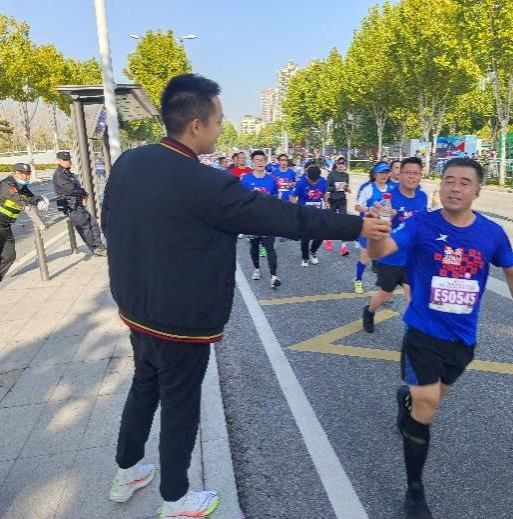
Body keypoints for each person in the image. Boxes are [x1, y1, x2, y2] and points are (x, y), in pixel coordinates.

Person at [101, 73, 391, 519]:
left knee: (144, 385)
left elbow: (110, 223)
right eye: (218, 121)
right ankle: (176, 499)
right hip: (181, 320)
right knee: (180, 404)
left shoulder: (129, 162)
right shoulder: (207, 184)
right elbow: (286, 218)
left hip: (135, 308)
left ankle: (127, 472)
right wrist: (357, 226)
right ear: (195, 124)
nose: (221, 129)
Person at [367, 157, 513, 519]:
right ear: (440, 185)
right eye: (448, 180)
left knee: (430, 400)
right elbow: (382, 252)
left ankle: (406, 400)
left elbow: (512, 271)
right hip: (422, 332)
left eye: (464, 182)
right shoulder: (421, 225)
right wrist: (376, 234)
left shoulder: (491, 233)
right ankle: (415, 492)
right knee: (427, 406)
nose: (455, 188)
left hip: (462, 340)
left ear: (477, 190)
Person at [363, 157, 427, 332]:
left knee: (411, 294)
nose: (412, 176)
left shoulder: (422, 197)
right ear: (399, 174)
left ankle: (413, 331)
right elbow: (377, 220)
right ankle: (369, 311)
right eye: (408, 172)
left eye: (416, 173)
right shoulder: (388, 196)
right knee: (386, 293)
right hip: (391, 256)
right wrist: (385, 215)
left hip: (412, 257)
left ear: (420, 176)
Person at [0, 163, 47, 291]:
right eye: (22, 174)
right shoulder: (7, 184)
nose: (25, 177)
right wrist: (38, 199)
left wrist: (40, 199)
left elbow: (31, 197)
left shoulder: (22, 186)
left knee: (9, 256)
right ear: (14, 173)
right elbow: (20, 200)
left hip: (5, 226)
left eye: (28, 174)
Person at [53, 151, 107, 256]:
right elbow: (70, 189)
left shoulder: (67, 172)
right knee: (85, 227)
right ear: (59, 161)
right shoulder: (59, 174)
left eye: (69, 159)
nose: (68, 161)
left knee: (93, 223)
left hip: (77, 205)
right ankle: (96, 248)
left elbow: (76, 188)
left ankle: (100, 246)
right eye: (65, 160)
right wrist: (82, 193)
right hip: (71, 206)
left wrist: (83, 193)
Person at [241, 150, 282, 288]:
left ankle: (274, 276)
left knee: (270, 247)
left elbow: (276, 197)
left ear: (266, 162)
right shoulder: (246, 179)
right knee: (254, 246)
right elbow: (241, 199)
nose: (260, 162)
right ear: (252, 162)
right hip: (252, 220)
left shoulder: (272, 179)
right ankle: (257, 268)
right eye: (257, 160)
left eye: (262, 160)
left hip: (268, 219)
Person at [353, 161, 392, 294]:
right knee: (366, 258)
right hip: (369, 228)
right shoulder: (368, 188)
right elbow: (357, 207)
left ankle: (384, 289)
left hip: (384, 228)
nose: (384, 175)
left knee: (385, 259)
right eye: (381, 172)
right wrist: (370, 209)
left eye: (386, 172)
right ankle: (358, 280)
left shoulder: (392, 189)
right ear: (375, 175)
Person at [290, 165, 329, 267]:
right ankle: (305, 257)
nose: (314, 183)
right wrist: (296, 208)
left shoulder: (323, 181)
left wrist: (327, 203)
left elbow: (325, 194)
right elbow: (292, 197)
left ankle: (313, 251)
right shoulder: (301, 183)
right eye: (311, 181)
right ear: (307, 176)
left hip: (318, 212)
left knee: (321, 234)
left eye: (316, 181)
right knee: (305, 238)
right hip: (305, 213)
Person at [325, 157, 351, 256]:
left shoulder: (346, 175)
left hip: (342, 200)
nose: (341, 165)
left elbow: (346, 187)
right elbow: (327, 188)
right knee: (331, 222)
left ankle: (344, 247)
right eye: (339, 163)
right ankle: (328, 239)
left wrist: (347, 189)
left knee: (344, 222)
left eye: (343, 163)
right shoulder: (331, 174)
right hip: (332, 200)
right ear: (336, 164)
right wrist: (335, 187)